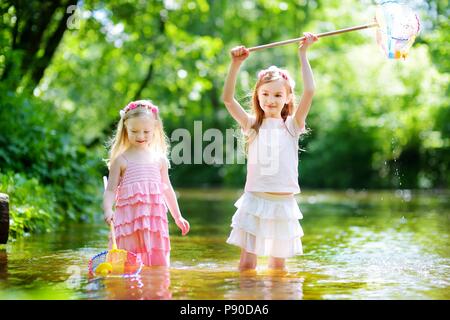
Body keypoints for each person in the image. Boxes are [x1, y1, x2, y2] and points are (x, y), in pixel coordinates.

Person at [222, 33, 318, 271]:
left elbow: (309, 91)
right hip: (255, 200)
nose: (271, 99)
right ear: (257, 96)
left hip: (283, 203)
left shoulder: (292, 126)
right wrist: (235, 65)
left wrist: (303, 53)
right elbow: (227, 99)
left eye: (277, 95)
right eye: (265, 94)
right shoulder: (252, 124)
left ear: (287, 98)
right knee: (247, 264)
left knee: (277, 268)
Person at [103, 100, 190, 266]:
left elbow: (167, 189)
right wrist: (108, 210)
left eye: (146, 131)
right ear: (125, 130)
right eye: (134, 131)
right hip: (129, 222)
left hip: (153, 221)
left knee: (156, 266)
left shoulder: (159, 160)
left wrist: (177, 216)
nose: (140, 136)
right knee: (126, 263)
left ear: (155, 129)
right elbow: (110, 190)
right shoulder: (121, 160)